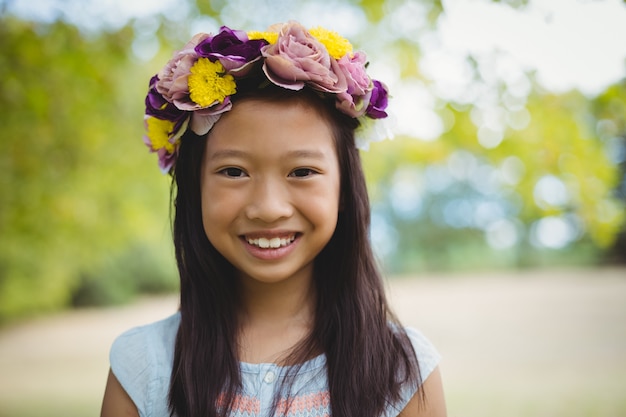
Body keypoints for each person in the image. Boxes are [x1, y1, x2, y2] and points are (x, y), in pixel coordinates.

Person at [100, 21, 446, 417]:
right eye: (234, 172)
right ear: (194, 190)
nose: (268, 208)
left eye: (301, 172)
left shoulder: (403, 372)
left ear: (344, 190)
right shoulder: (143, 365)